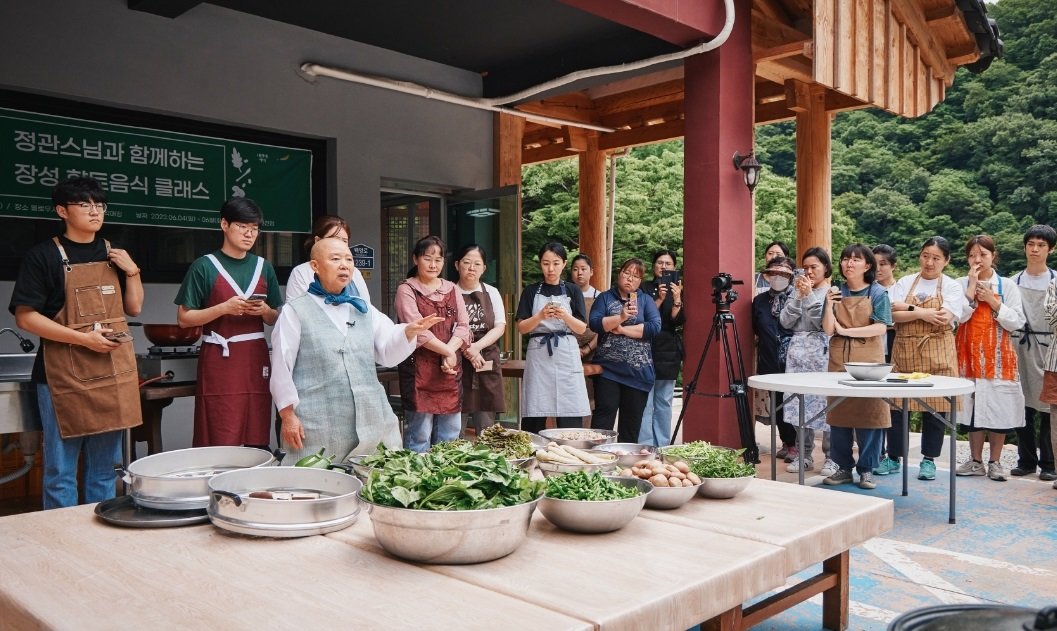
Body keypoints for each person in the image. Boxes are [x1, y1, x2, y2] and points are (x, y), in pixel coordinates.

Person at [10, 176, 143, 509]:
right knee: (60, 471)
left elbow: (134, 307)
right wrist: (82, 339)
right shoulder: (43, 256)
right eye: (84, 205)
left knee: (104, 469)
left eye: (99, 205)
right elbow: (25, 317)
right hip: (62, 378)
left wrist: (134, 272)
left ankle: (98, 539)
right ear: (62, 211)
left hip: (111, 372)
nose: (95, 211)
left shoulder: (115, 254)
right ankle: (64, 543)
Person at [270, 240, 442, 463]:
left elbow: (387, 350)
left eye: (349, 260)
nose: (344, 265)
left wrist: (408, 332)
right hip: (318, 423)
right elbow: (281, 366)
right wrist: (287, 415)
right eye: (335, 259)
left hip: (371, 420)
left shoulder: (362, 307)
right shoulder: (295, 311)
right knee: (316, 485)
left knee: (375, 481)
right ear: (315, 266)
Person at [176, 198, 282, 449]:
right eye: (242, 226)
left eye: (255, 228)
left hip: (255, 356)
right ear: (224, 224)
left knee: (256, 422)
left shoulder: (263, 267)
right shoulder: (204, 266)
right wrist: (224, 308)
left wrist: (265, 310)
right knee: (220, 425)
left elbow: (274, 318)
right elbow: (184, 318)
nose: (249, 233)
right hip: (219, 356)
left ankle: (253, 479)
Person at [888, 236, 970, 481]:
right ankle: (893, 456)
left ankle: (929, 460)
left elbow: (944, 317)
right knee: (896, 404)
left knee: (937, 406)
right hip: (904, 348)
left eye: (936, 258)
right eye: (925, 256)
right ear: (919, 256)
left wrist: (908, 310)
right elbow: (891, 311)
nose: (929, 262)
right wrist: (922, 311)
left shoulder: (952, 286)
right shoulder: (905, 281)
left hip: (938, 349)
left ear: (946, 261)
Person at [822, 244, 893, 490]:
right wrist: (829, 305)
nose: (848, 263)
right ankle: (842, 467)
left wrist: (848, 331)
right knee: (839, 414)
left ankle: (867, 469)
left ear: (868, 265)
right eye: (844, 259)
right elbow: (828, 329)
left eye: (855, 259)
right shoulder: (835, 291)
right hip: (839, 358)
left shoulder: (878, 292)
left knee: (870, 414)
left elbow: (881, 326)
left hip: (869, 358)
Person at [954, 235, 1026, 481]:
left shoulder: (1007, 285)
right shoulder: (960, 282)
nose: (977, 260)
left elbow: (1017, 321)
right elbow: (958, 318)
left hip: (998, 357)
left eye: (983, 255)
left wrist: (993, 302)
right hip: (968, 355)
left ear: (993, 256)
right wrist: (972, 290)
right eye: (973, 255)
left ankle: (995, 462)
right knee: (973, 412)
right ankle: (975, 461)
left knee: (999, 411)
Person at [395, 235, 471, 452]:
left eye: (438, 260)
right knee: (420, 433)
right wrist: (448, 351)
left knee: (450, 433)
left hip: (449, 369)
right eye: (428, 258)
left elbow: (463, 327)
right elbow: (418, 331)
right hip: (419, 370)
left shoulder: (452, 289)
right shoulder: (407, 289)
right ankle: (415, 482)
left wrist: (450, 352)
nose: (433, 264)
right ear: (415, 259)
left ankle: (445, 479)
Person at [516, 242, 591, 433]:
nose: (551, 269)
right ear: (540, 264)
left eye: (556, 263)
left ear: (564, 264)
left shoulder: (573, 290)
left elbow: (582, 328)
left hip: (566, 351)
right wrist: (540, 316)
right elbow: (522, 327)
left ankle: (570, 455)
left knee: (569, 408)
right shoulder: (531, 291)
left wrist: (565, 316)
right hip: (539, 353)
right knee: (535, 408)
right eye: (546, 263)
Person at [590, 258, 662, 443]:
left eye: (636, 276)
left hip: (638, 373)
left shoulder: (645, 300)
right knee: (602, 422)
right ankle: (597, 462)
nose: (630, 278)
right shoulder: (605, 297)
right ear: (619, 273)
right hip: (608, 370)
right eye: (627, 273)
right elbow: (596, 323)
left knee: (630, 426)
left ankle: (626, 467)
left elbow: (654, 327)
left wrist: (621, 329)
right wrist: (621, 316)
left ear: (640, 281)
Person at [779, 247, 835, 475]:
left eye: (815, 267)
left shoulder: (831, 292)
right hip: (797, 352)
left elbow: (819, 322)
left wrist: (809, 294)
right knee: (797, 402)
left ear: (825, 268)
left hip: (821, 351)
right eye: (806, 267)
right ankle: (805, 454)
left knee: (825, 404)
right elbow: (784, 321)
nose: (810, 272)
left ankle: (832, 456)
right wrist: (799, 296)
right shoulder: (796, 291)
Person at [1010, 225, 1057, 480]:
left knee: (1049, 406)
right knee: (1022, 404)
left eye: (1041, 245)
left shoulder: (1055, 280)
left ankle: (1049, 463)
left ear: (1050, 249)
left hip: (1050, 347)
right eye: (1031, 244)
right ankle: (1026, 459)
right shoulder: (1014, 281)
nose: (1035, 249)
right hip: (1020, 346)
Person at [454, 244, 507, 435]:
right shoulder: (450, 291)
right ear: (457, 265)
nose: (471, 268)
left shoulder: (492, 292)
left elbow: (500, 326)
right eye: (467, 262)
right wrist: (468, 350)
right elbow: (447, 330)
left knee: (487, 426)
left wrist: (476, 347)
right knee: (454, 423)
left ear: (484, 268)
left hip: (485, 359)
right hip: (457, 360)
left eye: (477, 264)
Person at [751, 256, 798, 460]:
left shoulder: (797, 296)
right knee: (777, 404)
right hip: (769, 358)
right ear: (768, 276)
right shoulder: (759, 301)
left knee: (795, 402)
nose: (778, 277)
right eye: (774, 273)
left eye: (783, 273)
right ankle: (787, 442)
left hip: (795, 359)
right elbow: (755, 328)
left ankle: (799, 444)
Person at [638, 249, 684, 446]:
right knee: (645, 401)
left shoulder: (679, 289)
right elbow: (642, 317)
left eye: (668, 264)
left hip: (668, 349)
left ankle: (663, 445)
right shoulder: (644, 288)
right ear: (653, 266)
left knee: (664, 401)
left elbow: (679, 321)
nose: (663, 267)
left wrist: (676, 299)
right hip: (645, 346)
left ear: (674, 268)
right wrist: (658, 299)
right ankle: (646, 445)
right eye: (659, 263)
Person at [872, 244, 905, 476]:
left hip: (895, 350)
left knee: (895, 405)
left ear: (893, 265)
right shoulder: (868, 289)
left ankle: (893, 455)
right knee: (874, 403)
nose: (878, 268)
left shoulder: (900, 290)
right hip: (873, 351)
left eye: (883, 264)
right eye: (874, 264)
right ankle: (876, 453)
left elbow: (897, 318)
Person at [286, 215, 370, 302]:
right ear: (317, 241)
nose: (340, 245)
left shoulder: (354, 272)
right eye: (334, 239)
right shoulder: (301, 272)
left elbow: (367, 308)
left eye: (344, 241)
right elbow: (295, 310)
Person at [569, 253, 600, 360]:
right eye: (575, 269)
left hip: (594, 350)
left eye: (583, 269)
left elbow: (604, 329)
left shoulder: (600, 296)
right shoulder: (564, 296)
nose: (579, 273)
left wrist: (588, 348)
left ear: (591, 272)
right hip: (567, 350)